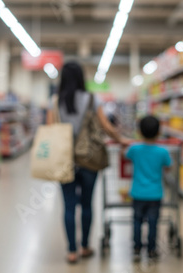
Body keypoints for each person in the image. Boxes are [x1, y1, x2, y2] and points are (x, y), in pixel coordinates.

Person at [47, 61, 129, 264]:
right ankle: (85, 246)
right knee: (87, 204)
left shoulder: (55, 101)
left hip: (64, 160)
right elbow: (107, 127)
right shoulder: (93, 99)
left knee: (68, 206)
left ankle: (71, 251)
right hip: (89, 160)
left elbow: (50, 131)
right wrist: (122, 140)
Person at [125, 116, 172, 262]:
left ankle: (137, 248)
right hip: (155, 194)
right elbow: (169, 167)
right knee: (153, 222)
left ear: (139, 132)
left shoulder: (135, 149)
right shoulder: (162, 152)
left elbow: (124, 155)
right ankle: (152, 250)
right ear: (159, 132)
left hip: (138, 193)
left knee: (137, 221)